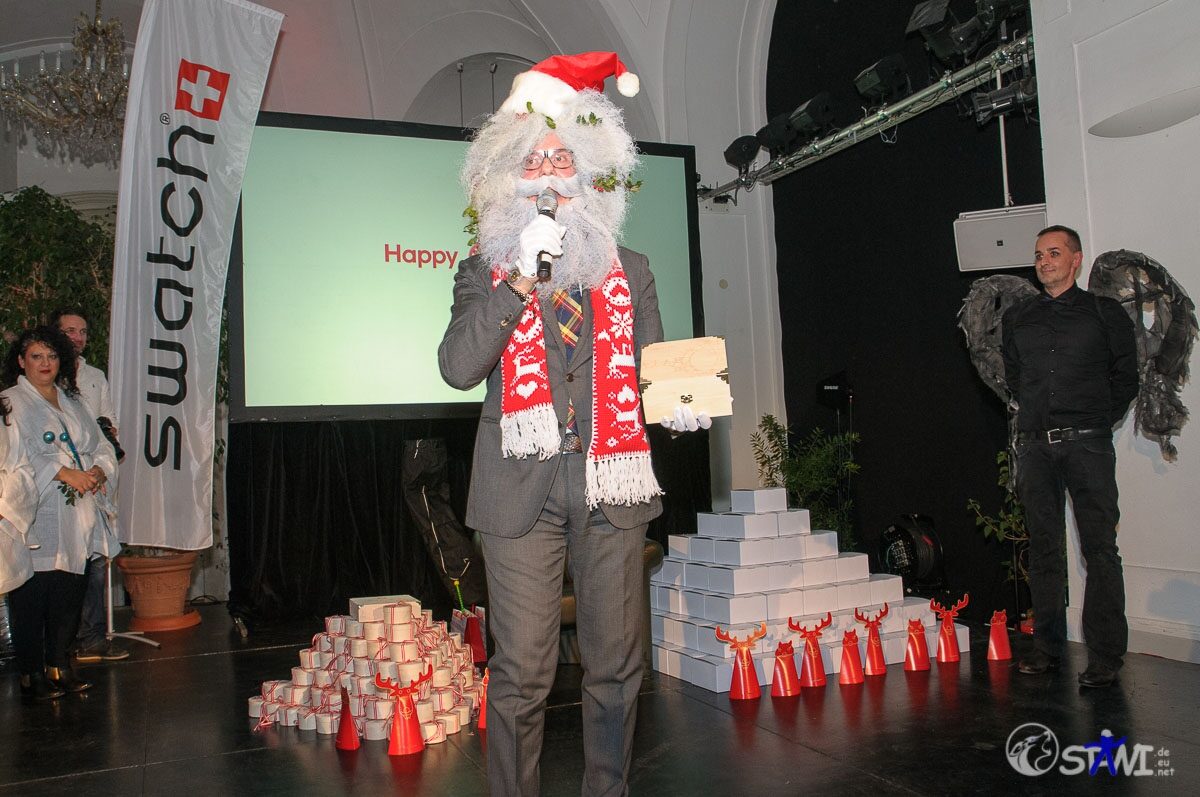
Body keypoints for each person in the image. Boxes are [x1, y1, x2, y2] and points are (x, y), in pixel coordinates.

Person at [439, 52, 707, 795]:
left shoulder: (635, 269)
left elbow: (653, 373)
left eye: (563, 159)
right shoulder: (484, 270)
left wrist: (678, 405)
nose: (550, 175)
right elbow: (458, 366)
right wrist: (521, 280)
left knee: (616, 667)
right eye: (534, 160)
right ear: (509, 177)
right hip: (518, 493)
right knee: (523, 671)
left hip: (610, 488)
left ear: (588, 174)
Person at [1002, 225, 1138, 688]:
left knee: (1100, 549)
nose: (1044, 262)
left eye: (1054, 253)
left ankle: (1105, 655)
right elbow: (1016, 377)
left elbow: (1126, 378)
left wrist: (1095, 420)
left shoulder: (1104, 313)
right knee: (1043, 547)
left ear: (1076, 260)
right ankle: (1046, 647)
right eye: (1039, 254)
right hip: (1036, 446)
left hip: (1088, 444)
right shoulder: (1018, 318)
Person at [2, 327, 120, 698]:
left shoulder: (72, 400)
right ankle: (30, 674)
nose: (45, 363)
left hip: (77, 514)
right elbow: (11, 458)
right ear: (21, 361)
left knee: (69, 594)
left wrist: (99, 469)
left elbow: (101, 445)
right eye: (36, 356)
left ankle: (59, 665)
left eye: (52, 356)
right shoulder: (10, 403)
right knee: (32, 596)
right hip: (37, 514)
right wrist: (62, 472)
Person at [50, 307, 129, 664]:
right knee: (60, 564)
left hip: (94, 480)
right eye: (70, 330)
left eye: (82, 332)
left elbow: (108, 423)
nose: (77, 338)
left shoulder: (95, 376)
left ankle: (91, 637)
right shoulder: (46, 378)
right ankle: (57, 646)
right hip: (57, 483)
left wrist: (101, 468)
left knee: (96, 561)